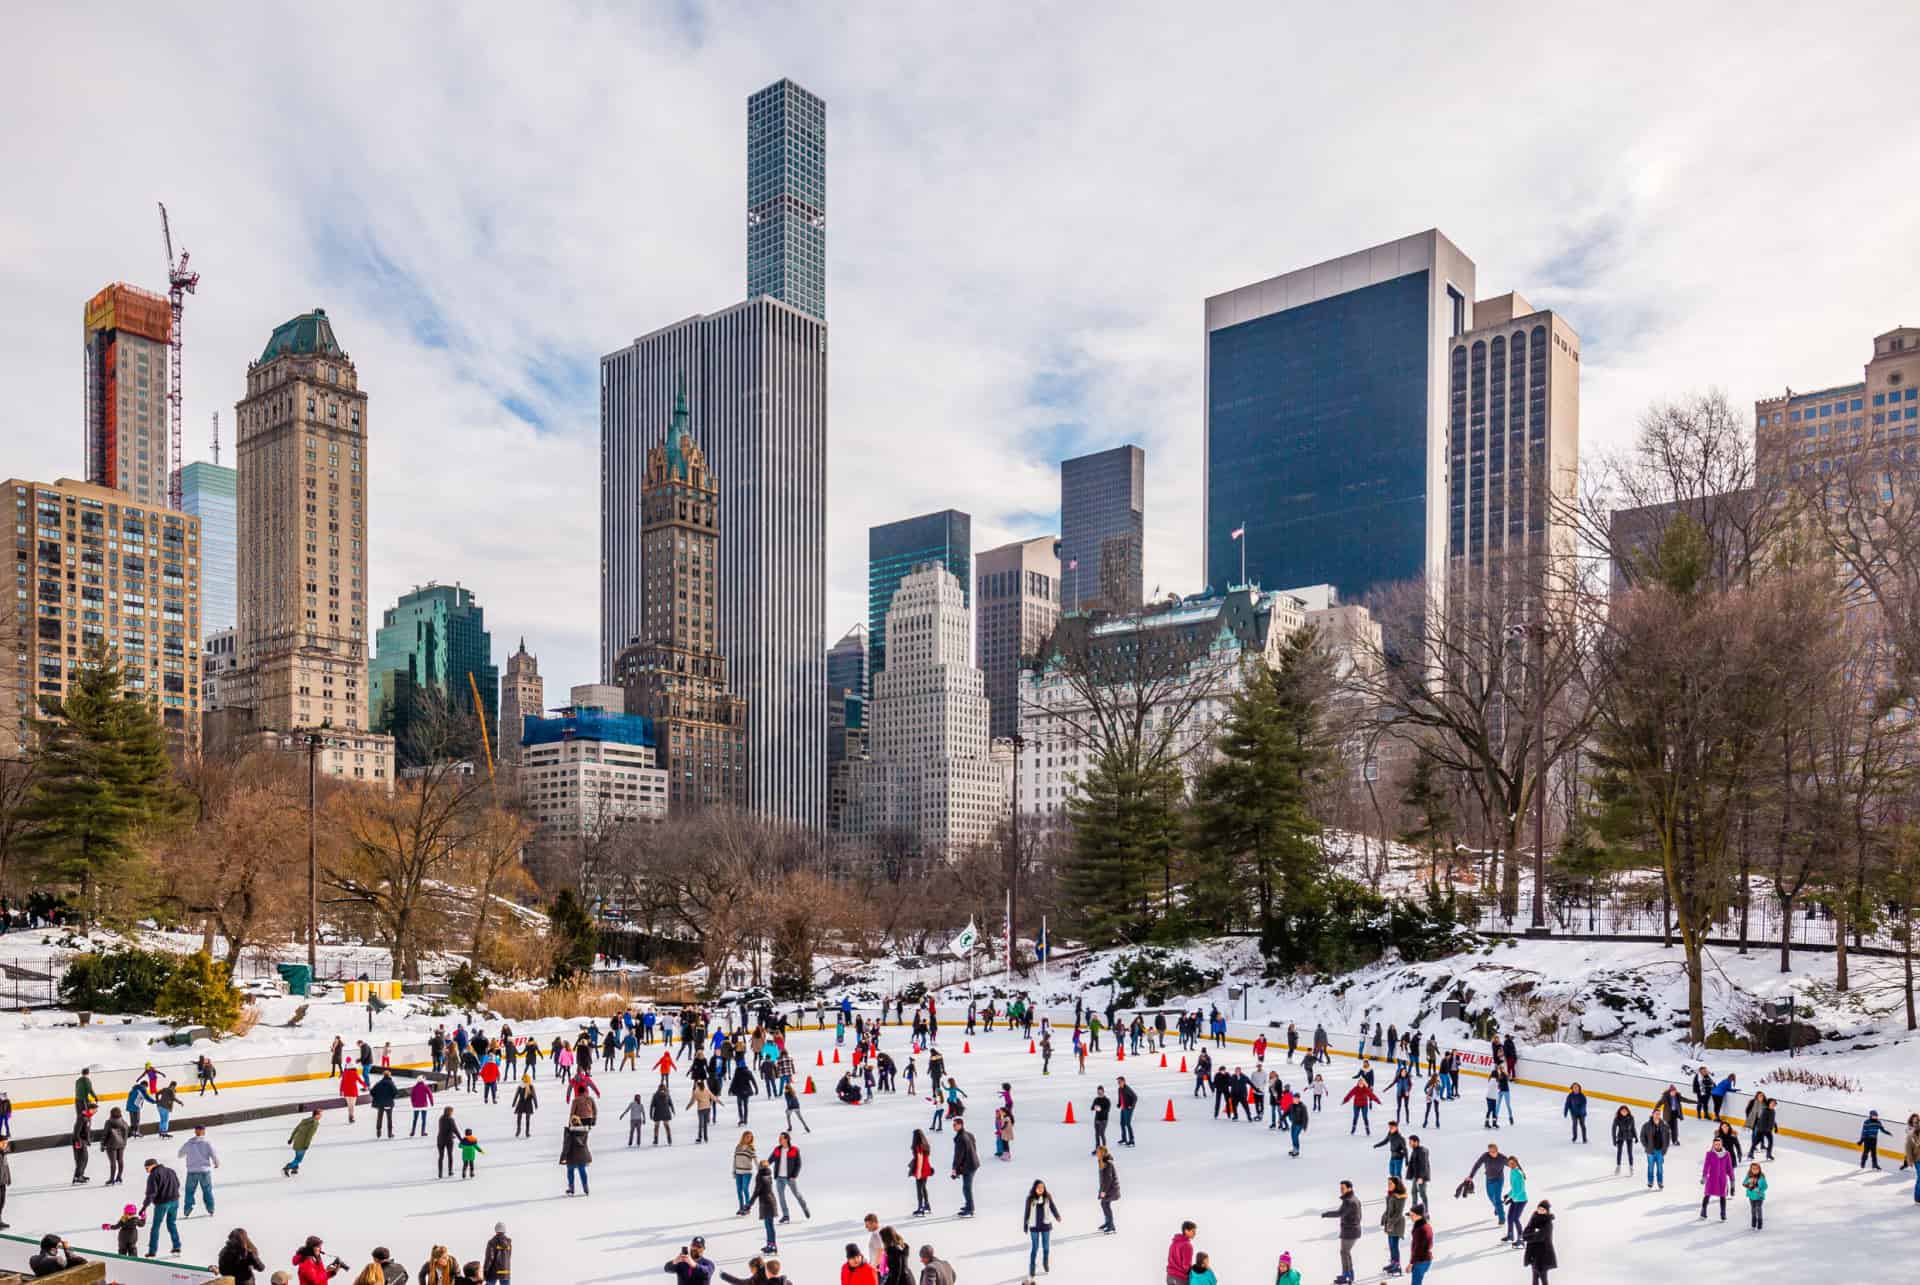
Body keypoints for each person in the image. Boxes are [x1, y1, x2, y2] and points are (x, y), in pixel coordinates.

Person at [139, 1157, 183, 1257]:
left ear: (153, 1165)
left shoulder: (153, 1175)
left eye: (147, 1168)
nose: (146, 1170)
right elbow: (178, 1184)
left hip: (162, 1204)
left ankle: (152, 1251)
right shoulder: (170, 1171)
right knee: (171, 1224)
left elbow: (151, 1193)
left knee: (155, 1227)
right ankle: (177, 1246)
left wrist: (144, 1207)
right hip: (175, 1201)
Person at [1321, 1179, 1363, 1285]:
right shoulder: (1353, 1199)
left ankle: (1347, 1274)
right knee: (1345, 1252)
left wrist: (1326, 1214)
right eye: (1340, 1188)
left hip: (1350, 1231)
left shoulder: (1349, 1201)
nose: (1341, 1190)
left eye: (1343, 1188)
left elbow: (1340, 1213)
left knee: (1344, 1252)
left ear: (1349, 1188)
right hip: (1352, 1230)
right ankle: (1348, 1273)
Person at [1022, 1179, 1062, 1276]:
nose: (1041, 1189)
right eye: (1039, 1187)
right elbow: (1027, 1212)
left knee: (1046, 1247)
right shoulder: (1030, 1199)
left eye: (1042, 1187)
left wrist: (1057, 1216)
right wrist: (1025, 1225)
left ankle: (1045, 1262)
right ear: (1034, 1188)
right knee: (1035, 1248)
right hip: (1034, 1226)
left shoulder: (1047, 1197)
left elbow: (1052, 1207)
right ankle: (1032, 1267)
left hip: (1045, 1225)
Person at [179, 1125, 219, 1216]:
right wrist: (216, 1163)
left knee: (189, 1191)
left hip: (192, 1171)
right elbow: (213, 1154)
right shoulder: (207, 1143)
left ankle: (187, 1210)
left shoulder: (189, 1143)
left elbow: (180, 1154)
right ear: (203, 1131)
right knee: (207, 1190)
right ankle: (210, 1209)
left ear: (195, 1131)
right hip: (204, 1171)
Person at [770, 1132, 810, 1222]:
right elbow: (770, 1160)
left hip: (790, 1178)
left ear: (786, 1139)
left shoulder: (794, 1150)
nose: (779, 1140)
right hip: (779, 1178)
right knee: (781, 1197)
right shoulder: (777, 1150)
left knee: (797, 1194)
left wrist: (794, 1176)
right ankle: (786, 1215)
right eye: (779, 1138)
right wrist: (763, 1165)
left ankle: (805, 1208)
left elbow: (798, 1164)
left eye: (781, 1138)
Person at [1521, 1200, 1556, 1285]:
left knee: (1543, 1277)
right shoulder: (1534, 1218)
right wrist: (1531, 1235)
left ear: (1547, 1211)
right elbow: (1525, 1232)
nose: (1540, 1210)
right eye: (1539, 1208)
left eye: (1543, 1209)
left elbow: (1541, 1236)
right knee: (1534, 1277)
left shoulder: (1548, 1222)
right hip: (1533, 1253)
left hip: (1544, 1254)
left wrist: (1529, 1236)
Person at [1701, 1135, 1735, 1220]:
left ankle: (1723, 1213)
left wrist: (1732, 1180)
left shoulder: (1726, 1154)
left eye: (1719, 1144)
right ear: (1713, 1145)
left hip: (1722, 1179)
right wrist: (1704, 1176)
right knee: (1707, 1195)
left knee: (1723, 1196)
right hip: (1711, 1178)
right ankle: (1703, 1210)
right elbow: (1706, 1166)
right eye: (1715, 1144)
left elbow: (1729, 1168)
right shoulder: (1709, 1154)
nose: (1717, 1146)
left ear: (1721, 1144)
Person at [950, 1120, 980, 1216]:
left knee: (966, 1188)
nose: (953, 1127)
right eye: (953, 1125)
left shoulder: (961, 1138)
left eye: (955, 1125)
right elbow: (973, 1149)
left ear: (960, 1125)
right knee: (966, 1187)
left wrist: (954, 1168)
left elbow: (958, 1155)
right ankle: (968, 1205)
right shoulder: (968, 1134)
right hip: (972, 1163)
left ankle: (970, 1208)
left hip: (969, 1165)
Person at [1380, 1176, 1408, 1276]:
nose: (1389, 1185)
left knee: (1394, 1245)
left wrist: (1391, 1223)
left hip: (1397, 1223)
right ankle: (1393, 1262)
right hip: (1390, 1223)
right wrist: (1383, 1218)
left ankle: (1397, 1265)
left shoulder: (1400, 1196)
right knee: (1391, 1245)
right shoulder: (1390, 1195)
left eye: (1391, 1184)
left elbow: (1398, 1213)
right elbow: (1388, 1209)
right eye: (1388, 1184)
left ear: (1396, 1185)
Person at [750, 1161, 779, 1254]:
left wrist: (749, 1204)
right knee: (769, 1225)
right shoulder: (768, 1175)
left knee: (768, 1226)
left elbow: (756, 1191)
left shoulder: (760, 1177)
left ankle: (772, 1246)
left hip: (766, 1202)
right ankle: (771, 1245)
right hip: (771, 1201)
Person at [561, 1112, 593, 1196]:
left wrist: (563, 1157)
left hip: (572, 1155)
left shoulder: (569, 1132)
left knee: (570, 1171)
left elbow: (566, 1145)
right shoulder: (584, 1131)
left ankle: (571, 1188)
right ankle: (586, 1188)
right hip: (583, 1154)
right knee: (582, 1170)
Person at [100, 1106, 129, 1185]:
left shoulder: (109, 1122)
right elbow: (126, 1133)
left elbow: (105, 1134)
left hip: (111, 1145)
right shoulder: (123, 1122)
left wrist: (102, 1144)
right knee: (120, 1160)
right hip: (121, 1144)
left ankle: (112, 1179)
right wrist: (124, 1143)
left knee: (113, 1162)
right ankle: (119, 1177)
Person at [1640, 1109, 1669, 1189]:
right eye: (1656, 1114)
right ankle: (1650, 1181)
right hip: (1650, 1151)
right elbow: (1642, 1137)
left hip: (1660, 1151)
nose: (1657, 1115)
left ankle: (1660, 1182)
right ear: (1652, 1114)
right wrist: (1647, 1147)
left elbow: (1667, 1138)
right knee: (1650, 1167)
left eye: (1659, 1114)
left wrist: (1665, 1149)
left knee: (1660, 1168)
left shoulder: (1664, 1126)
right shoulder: (1646, 1125)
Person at [1503, 1155, 1529, 1245]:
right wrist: (1508, 1195)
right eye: (1509, 1163)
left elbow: (1520, 1189)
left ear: (1516, 1163)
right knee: (1510, 1217)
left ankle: (1520, 1239)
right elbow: (1514, 1188)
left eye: (1513, 1163)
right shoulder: (1512, 1171)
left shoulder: (1518, 1173)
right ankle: (1510, 1236)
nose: (1511, 1165)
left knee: (1515, 1219)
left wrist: (1511, 1199)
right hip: (1515, 1199)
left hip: (1521, 1200)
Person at [909, 1128, 935, 1216]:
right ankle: (927, 1206)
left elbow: (920, 1158)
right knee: (923, 1187)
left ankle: (920, 1208)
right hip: (927, 1168)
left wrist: (918, 1172)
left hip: (921, 1169)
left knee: (919, 1189)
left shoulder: (918, 1146)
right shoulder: (925, 1145)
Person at [733, 1130, 758, 1214]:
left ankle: (747, 1207)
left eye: (750, 1137)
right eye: (747, 1137)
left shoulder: (751, 1148)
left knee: (745, 1188)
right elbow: (735, 1159)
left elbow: (755, 1160)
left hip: (747, 1172)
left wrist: (760, 1171)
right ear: (743, 1137)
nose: (748, 1138)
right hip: (738, 1171)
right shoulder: (738, 1147)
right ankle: (741, 1207)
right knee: (739, 1190)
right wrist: (734, 1171)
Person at [1165, 1221, 1197, 1285]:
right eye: (1193, 1231)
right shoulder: (1187, 1245)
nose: (1195, 1233)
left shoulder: (1174, 1242)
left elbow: (1170, 1259)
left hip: (1170, 1277)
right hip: (1181, 1279)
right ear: (1186, 1231)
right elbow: (1186, 1266)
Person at [1408, 1207, 1434, 1285]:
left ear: (1419, 1216)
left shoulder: (1421, 1229)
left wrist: (1411, 1263)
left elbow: (1418, 1248)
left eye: (1413, 1215)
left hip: (1420, 1261)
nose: (1410, 1217)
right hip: (1424, 1259)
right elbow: (1429, 1242)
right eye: (1410, 1215)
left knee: (1416, 1283)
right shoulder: (1424, 1225)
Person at [370, 1071, 399, 1138]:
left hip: (380, 1104)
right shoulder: (391, 1083)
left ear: (383, 1075)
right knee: (389, 1118)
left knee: (379, 1117)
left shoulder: (379, 1083)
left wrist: (377, 1097)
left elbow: (372, 1092)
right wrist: (391, 1098)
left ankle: (378, 1132)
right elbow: (395, 1092)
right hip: (388, 1103)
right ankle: (390, 1134)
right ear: (389, 1076)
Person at [1742, 1161, 1767, 1230]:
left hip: (1759, 1196)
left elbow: (1765, 1186)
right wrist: (1749, 1184)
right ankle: (1753, 1222)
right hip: (1751, 1196)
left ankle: (1760, 1222)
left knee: (1758, 1209)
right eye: (1753, 1168)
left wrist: (1760, 1190)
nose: (1755, 1170)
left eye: (1756, 1169)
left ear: (1759, 1169)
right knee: (1753, 1209)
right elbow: (1744, 1183)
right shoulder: (1749, 1176)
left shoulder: (1761, 1177)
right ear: (1750, 1169)